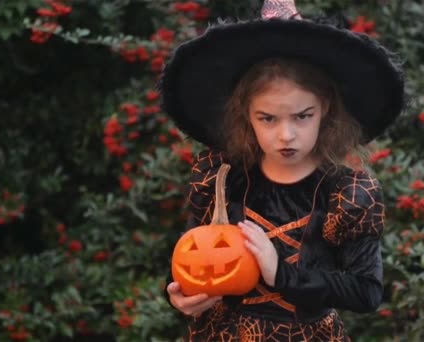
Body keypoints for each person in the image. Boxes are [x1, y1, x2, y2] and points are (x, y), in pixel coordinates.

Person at [158, 0, 405, 340]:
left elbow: (366, 291)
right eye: (268, 118)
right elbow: (196, 254)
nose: (286, 135)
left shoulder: (346, 193)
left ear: (325, 109)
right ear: (247, 113)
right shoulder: (223, 177)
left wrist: (282, 274)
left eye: (302, 116)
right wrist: (179, 295)